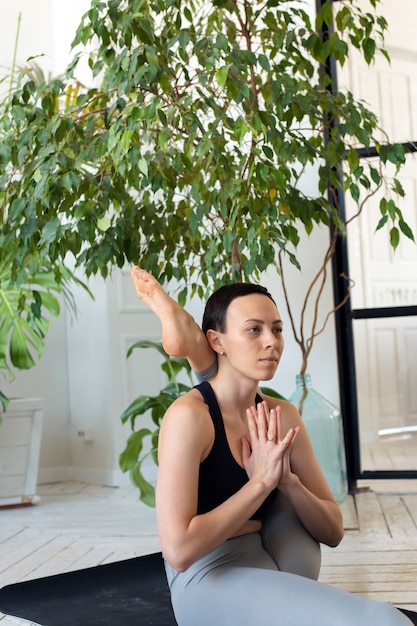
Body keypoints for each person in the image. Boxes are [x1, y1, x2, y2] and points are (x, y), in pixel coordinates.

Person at [131, 266, 413, 626]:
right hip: (210, 580)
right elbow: (179, 551)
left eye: (277, 329)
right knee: (383, 620)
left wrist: (287, 483)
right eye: (254, 329)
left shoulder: (284, 416)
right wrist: (259, 484)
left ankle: (192, 344)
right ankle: (188, 339)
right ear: (217, 340)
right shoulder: (189, 418)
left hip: (277, 561)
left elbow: (333, 531)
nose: (272, 342)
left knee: (287, 489)